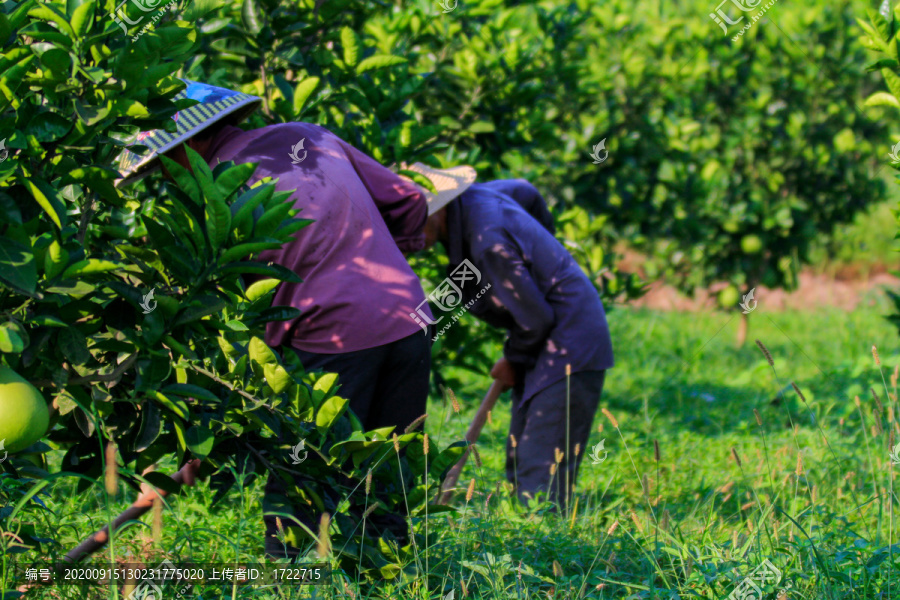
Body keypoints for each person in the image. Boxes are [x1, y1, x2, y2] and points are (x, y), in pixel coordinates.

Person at [117, 81, 434, 556]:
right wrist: (382, 256)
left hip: (331, 336)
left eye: (166, 160)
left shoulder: (215, 193)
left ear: (190, 143)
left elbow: (230, 315)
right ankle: (391, 582)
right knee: (391, 478)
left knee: (301, 490)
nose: (165, 173)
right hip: (410, 317)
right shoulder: (309, 135)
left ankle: (288, 584)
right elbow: (410, 199)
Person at [403, 162, 614, 510]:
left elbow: (536, 317)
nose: (402, 237)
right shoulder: (475, 202)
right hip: (540, 336)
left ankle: (548, 554)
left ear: (436, 207)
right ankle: (532, 538)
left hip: (567, 340)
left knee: (541, 468)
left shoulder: (488, 240)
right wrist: (541, 250)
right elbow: (525, 190)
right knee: (519, 454)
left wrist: (514, 357)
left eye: (407, 220)